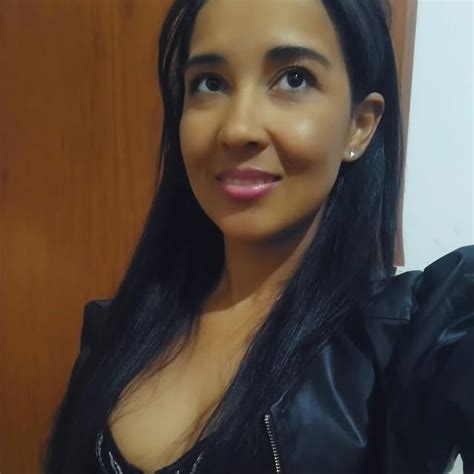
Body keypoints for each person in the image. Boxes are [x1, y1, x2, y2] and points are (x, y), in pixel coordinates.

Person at [42, 0, 474, 473]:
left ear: (359, 126)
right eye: (211, 83)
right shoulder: (115, 331)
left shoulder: (413, 342)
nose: (238, 129)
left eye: (294, 78)